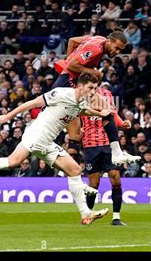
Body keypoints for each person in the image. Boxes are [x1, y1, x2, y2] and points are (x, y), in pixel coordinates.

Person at [0, 74, 110, 225]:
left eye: (95, 89)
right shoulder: (62, 93)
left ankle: (86, 214)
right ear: (80, 85)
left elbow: (83, 110)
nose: (93, 92)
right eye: (90, 87)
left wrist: (99, 113)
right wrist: (7, 116)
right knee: (13, 162)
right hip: (37, 134)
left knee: (75, 170)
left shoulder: (81, 102)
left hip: (47, 141)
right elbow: (33, 103)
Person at [53, 32, 141, 165]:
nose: (116, 52)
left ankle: (73, 177)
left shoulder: (99, 38)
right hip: (67, 83)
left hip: (68, 82)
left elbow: (72, 40)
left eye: (120, 50)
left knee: (75, 135)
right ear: (109, 41)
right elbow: (72, 65)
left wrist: (68, 59)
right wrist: (92, 72)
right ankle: (116, 153)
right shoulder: (96, 48)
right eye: (116, 48)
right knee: (104, 108)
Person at [81, 86, 131, 226]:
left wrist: (122, 123)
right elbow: (74, 114)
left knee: (116, 180)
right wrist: (77, 128)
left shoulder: (106, 93)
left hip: (109, 144)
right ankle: (88, 215)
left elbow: (113, 113)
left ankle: (116, 218)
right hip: (91, 145)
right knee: (93, 184)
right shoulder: (82, 94)